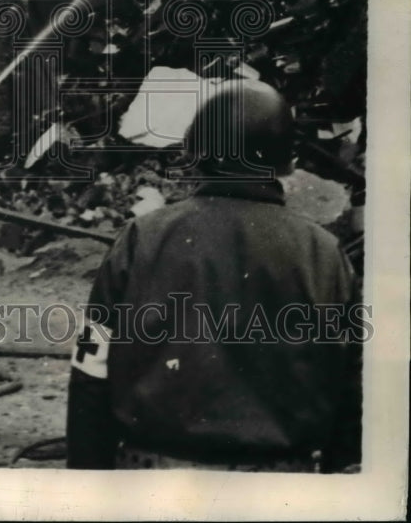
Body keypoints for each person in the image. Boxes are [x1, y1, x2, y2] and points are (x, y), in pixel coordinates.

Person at [67, 79, 362, 472]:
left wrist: (88, 482)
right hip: (284, 489)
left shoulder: (142, 239)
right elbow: (351, 389)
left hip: (153, 483)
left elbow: (91, 370)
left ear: (197, 153)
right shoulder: (325, 253)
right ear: (287, 161)